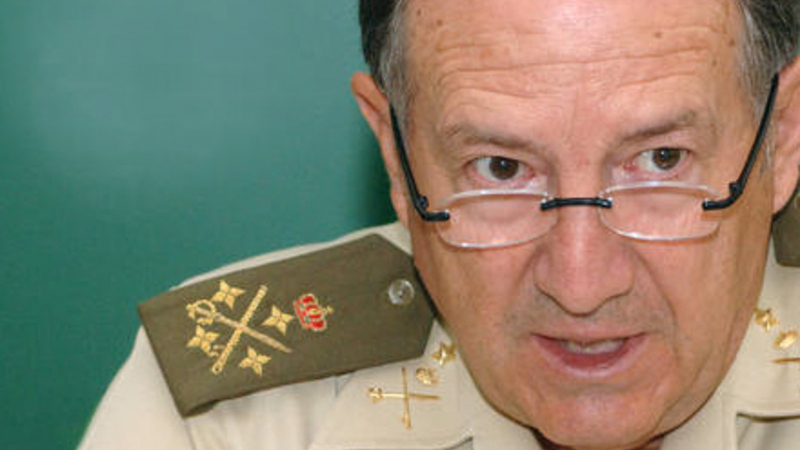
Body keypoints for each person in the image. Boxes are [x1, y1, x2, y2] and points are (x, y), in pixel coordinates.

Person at [78, 0, 800, 449]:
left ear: (784, 134)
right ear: (396, 156)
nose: (580, 285)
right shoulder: (236, 420)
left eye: (662, 160)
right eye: (501, 169)